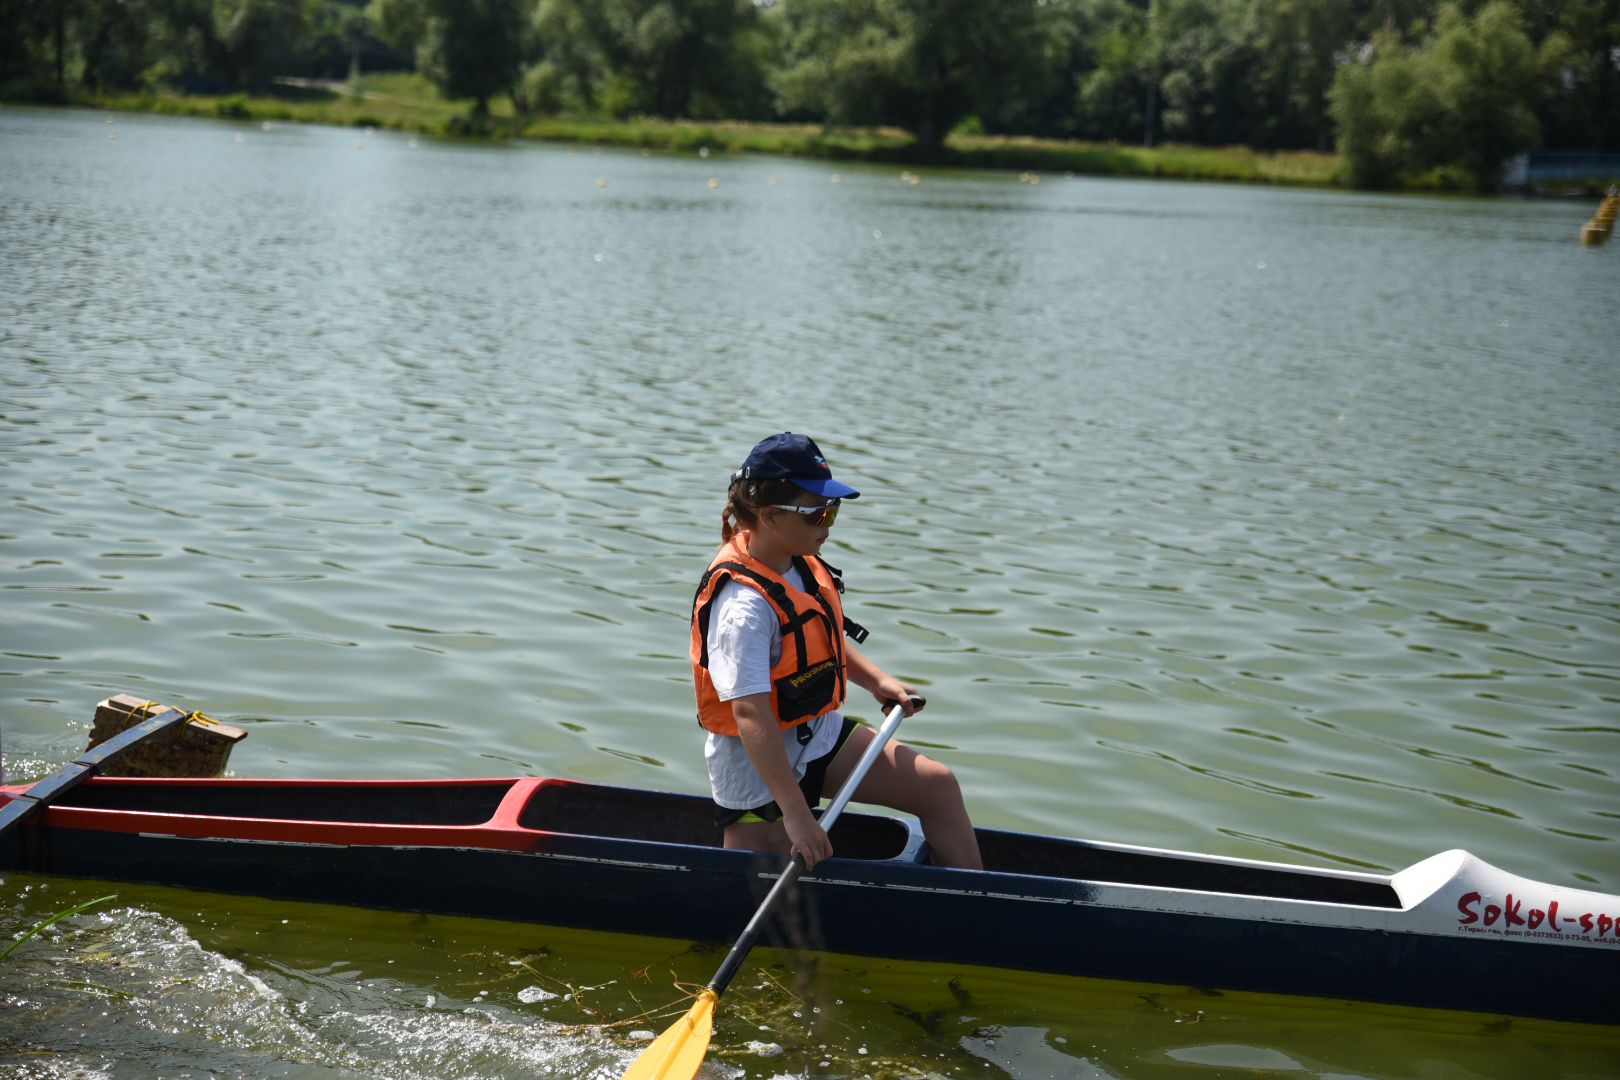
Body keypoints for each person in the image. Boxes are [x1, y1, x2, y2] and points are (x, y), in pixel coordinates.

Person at [690, 432, 982, 871]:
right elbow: (749, 713)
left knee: (936, 786)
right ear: (770, 515)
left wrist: (876, 680)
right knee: (759, 894)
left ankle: (971, 912)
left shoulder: (798, 562)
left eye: (834, 510)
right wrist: (797, 814)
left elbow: (816, 642)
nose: (827, 525)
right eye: (817, 513)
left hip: (814, 732)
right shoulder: (741, 609)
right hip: (758, 762)